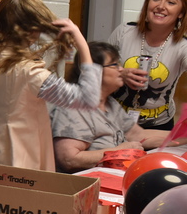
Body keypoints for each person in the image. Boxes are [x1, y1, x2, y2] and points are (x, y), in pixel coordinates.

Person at [0, 0, 102, 171]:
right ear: (32, 31)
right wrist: (82, 45)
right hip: (21, 160)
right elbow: (88, 100)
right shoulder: (31, 73)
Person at [50, 42, 185, 173]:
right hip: (87, 183)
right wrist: (118, 152)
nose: (121, 69)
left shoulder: (110, 103)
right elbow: (69, 159)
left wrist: (184, 135)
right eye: (114, 65)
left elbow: (139, 135)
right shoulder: (74, 107)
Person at [110, 0, 187, 130]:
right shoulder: (124, 31)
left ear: (181, 13)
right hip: (113, 119)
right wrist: (120, 72)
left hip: (158, 125)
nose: (160, 6)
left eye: (171, 2)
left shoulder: (182, 46)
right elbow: (96, 67)